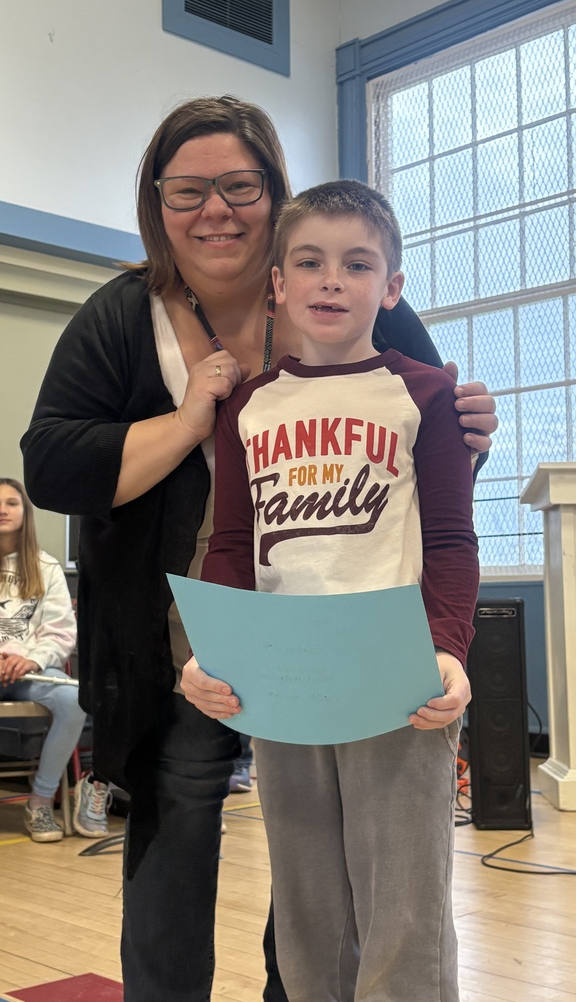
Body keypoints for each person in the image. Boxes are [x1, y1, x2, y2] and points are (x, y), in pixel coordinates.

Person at [20, 96, 496, 1002]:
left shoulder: (393, 347)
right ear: (156, 205)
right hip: (213, 640)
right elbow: (60, 467)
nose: (215, 208)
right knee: (225, 840)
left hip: (379, 659)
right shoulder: (137, 326)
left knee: (388, 894)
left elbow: (443, 495)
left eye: (239, 186)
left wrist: (448, 637)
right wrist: (189, 421)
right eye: (187, 189)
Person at [197, 179, 479, 1002]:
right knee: (308, 911)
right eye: (310, 262)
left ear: (390, 288)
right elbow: (230, 545)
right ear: (277, 282)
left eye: (357, 265)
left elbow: (454, 540)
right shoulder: (246, 407)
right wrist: (214, 654)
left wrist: (448, 649)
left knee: (405, 911)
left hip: (397, 676)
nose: (331, 281)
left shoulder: (424, 392)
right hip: (282, 680)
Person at [0, 477, 109, 842]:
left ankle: (41, 802)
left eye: (11, 503)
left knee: (72, 700)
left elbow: (61, 633)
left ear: (25, 512)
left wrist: (30, 660)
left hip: (30, 675)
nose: (2, 509)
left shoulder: (45, 567)